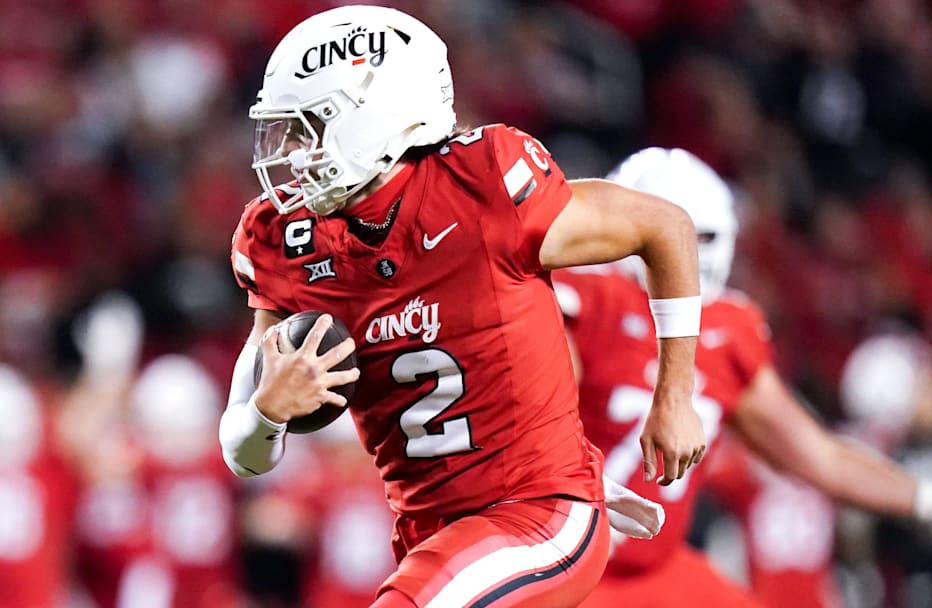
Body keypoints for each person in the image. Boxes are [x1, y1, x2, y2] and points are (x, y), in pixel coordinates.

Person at [217, 6, 705, 608]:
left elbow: (664, 226)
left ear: (374, 117)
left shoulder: (484, 185)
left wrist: (675, 397)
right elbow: (241, 454)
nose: (292, 154)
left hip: (540, 512)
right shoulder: (285, 242)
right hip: (434, 539)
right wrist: (268, 412)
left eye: (311, 127)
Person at [551, 147, 932, 608]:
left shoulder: (727, 331)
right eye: (679, 235)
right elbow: (541, 417)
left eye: (704, 237)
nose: (688, 252)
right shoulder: (587, 300)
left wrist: (930, 502)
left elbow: (816, 455)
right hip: (563, 563)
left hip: (655, 570)